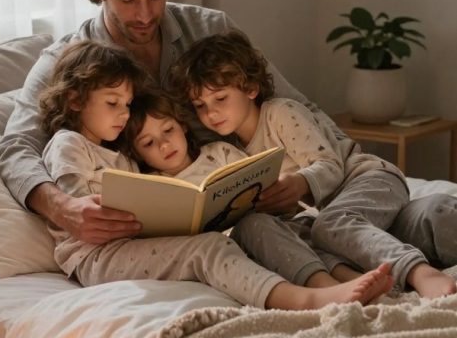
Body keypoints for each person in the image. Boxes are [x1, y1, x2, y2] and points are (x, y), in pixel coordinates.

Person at [0, 0, 457, 266]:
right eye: (127, 0)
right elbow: (16, 147)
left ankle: (412, 222)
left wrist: (321, 177)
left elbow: (293, 106)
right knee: (376, 231)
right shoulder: (66, 62)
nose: (144, 14)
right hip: (255, 220)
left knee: (350, 225)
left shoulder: (209, 28)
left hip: (311, 185)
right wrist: (62, 208)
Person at [39, 40, 393, 311]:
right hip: (96, 256)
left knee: (284, 229)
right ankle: (305, 301)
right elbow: (77, 205)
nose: (122, 114)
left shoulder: (120, 154)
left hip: (129, 244)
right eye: (112, 104)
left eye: (127, 104)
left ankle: (338, 278)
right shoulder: (68, 143)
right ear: (74, 101)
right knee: (209, 248)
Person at [172, 31, 456, 299]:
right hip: (333, 220)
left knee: (332, 224)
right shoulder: (231, 152)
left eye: (220, 98)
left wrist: (299, 184)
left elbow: (330, 165)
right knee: (303, 237)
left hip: (366, 180)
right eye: (200, 105)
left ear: (250, 88)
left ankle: (420, 273)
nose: (211, 112)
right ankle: (357, 280)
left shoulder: (281, 113)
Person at [119, 88, 360, 292]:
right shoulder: (151, 186)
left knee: (298, 230)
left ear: (182, 125)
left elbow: (254, 183)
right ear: (136, 153)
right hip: (222, 252)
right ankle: (325, 286)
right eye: (149, 143)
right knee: (262, 230)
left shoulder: (219, 153)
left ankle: (348, 278)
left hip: (262, 228)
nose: (163, 145)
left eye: (168, 130)